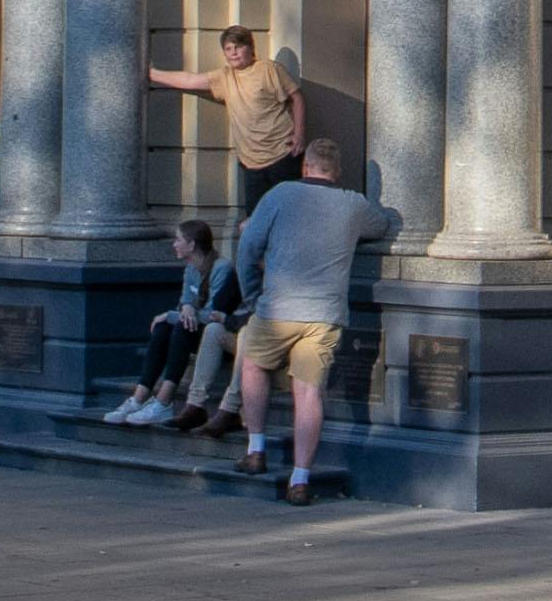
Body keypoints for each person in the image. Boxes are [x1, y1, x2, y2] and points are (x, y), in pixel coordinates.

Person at [222, 142, 395, 505]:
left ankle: (256, 450)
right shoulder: (352, 203)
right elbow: (380, 227)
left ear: (305, 166)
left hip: (277, 306)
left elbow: (249, 245)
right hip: (324, 314)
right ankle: (300, 480)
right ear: (337, 171)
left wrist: (253, 294)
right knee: (309, 393)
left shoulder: (280, 194)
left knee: (253, 365)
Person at [149, 26, 309, 212]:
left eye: (238, 47)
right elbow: (191, 80)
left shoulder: (269, 69)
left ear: (250, 47)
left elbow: (297, 97)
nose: (233, 53)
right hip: (251, 163)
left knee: (290, 214)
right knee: (255, 219)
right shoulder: (225, 77)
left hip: (283, 154)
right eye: (228, 49)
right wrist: (152, 74)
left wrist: (299, 134)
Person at [109, 217, 222, 428]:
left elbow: (214, 314)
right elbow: (185, 304)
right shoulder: (190, 269)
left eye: (178, 240)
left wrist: (175, 314)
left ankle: (163, 401)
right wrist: (183, 309)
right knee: (163, 327)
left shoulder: (221, 268)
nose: (174, 244)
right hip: (195, 327)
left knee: (178, 326)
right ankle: (139, 397)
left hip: (217, 333)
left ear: (192, 244)